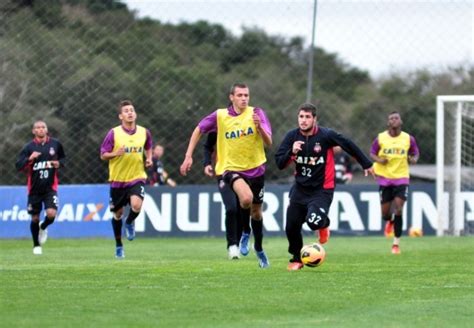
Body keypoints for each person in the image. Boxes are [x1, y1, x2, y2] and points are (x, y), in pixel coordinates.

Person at [180, 83, 272, 268]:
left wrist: (259, 128)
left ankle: (259, 249)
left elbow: (269, 142)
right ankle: (244, 232)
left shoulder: (257, 113)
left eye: (246, 95)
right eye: (240, 95)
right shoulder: (220, 115)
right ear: (232, 97)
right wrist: (188, 156)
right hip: (230, 169)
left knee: (256, 212)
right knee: (245, 199)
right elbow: (199, 129)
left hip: (256, 169)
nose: (244, 98)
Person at [275, 103, 374, 271]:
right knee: (291, 226)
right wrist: (292, 152)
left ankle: (323, 224)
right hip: (300, 188)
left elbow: (347, 144)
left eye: (307, 117)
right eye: (301, 117)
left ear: (315, 119)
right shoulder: (292, 136)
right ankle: (297, 258)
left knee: (313, 222)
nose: (304, 120)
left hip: (322, 189)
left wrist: (366, 163)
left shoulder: (326, 135)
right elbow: (279, 163)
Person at [100, 100, 153, 259]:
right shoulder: (114, 133)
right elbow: (103, 154)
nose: (130, 112)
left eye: (132, 110)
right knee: (117, 214)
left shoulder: (144, 132)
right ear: (120, 116)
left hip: (137, 177)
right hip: (118, 180)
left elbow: (148, 145)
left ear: (135, 114)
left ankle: (129, 222)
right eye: (126, 111)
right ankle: (118, 245)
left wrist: (148, 158)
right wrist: (116, 153)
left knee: (136, 205)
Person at [369, 111, 419, 255]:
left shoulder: (408, 139)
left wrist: (413, 159)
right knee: (385, 214)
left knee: (398, 208)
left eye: (396, 118)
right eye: (391, 118)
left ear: (401, 121)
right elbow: (372, 152)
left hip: (401, 178)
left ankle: (396, 244)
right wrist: (379, 160)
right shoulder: (381, 138)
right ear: (388, 123)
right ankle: (389, 221)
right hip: (384, 178)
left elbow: (415, 153)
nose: (394, 120)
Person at [15, 120, 66, 255]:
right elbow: (18, 165)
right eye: (38, 127)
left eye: (43, 127)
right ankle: (36, 245)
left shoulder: (55, 144)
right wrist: (30, 158)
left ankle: (43, 227)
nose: (41, 129)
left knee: (51, 214)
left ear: (46, 129)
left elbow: (64, 160)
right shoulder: (28, 147)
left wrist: (58, 163)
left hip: (50, 188)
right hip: (34, 189)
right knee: (35, 218)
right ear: (33, 131)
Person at [203, 132, 251, 260]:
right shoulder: (217, 129)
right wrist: (207, 163)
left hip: (244, 172)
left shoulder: (244, 126)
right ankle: (232, 246)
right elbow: (208, 146)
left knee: (242, 208)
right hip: (223, 173)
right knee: (231, 208)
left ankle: (241, 238)